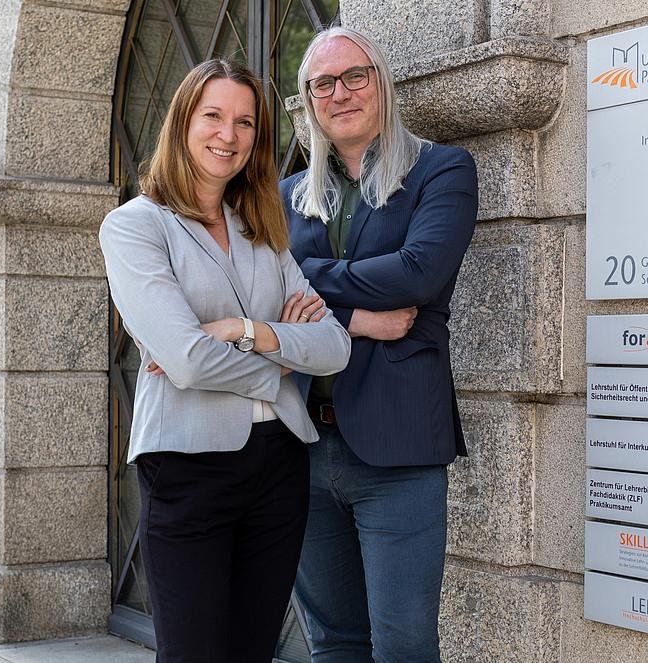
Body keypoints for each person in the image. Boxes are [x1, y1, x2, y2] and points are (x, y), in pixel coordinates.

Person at [99, 59, 351, 663]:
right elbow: (185, 360)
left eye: (244, 122)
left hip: (279, 467)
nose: (228, 135)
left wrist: (243, 330)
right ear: (183, 123)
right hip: (188, 466)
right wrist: (285, 359)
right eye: (212, 116)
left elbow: (335, 347)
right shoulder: (137, 227)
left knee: (251, 651)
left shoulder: (262, 229)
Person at [280, 27, 478, 663]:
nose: (339, 93)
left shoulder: (440, 170)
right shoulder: (288, 196)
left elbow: (420, 270)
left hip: (399, 453)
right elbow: (263, 300)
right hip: (303, 445)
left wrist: (309, 283)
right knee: (334, 642)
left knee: (404, 645)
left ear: (382, 82)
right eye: (322, 84)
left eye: (354, 76)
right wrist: (362, 317)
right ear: (309, 101)